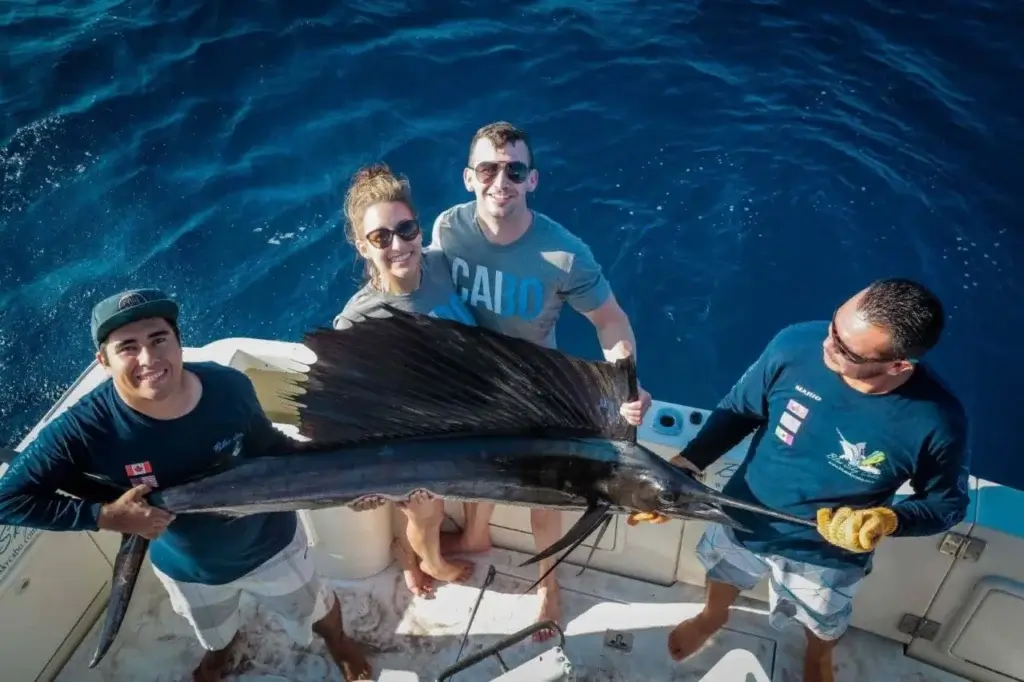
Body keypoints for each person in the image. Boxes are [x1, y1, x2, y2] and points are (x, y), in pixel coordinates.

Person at [0, 289, 373, 682]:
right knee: (214, 632)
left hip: (272, 545)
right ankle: (220, 653)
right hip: (189, 569)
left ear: (178, 342)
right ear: (103, 361)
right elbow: (7, 499)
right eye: (128, 347)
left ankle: (338, 642)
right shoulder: (81, 428)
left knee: (315, 609)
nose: (148, 358)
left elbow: (272, 449)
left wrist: (346, 483)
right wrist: (106, 516)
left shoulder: (229, 386)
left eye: (158, 339)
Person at [664, 278, 970, 682]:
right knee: (723, 572)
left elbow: (947, 505)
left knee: (823, 619)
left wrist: (888, 520)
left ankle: (817, 657)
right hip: (742, 511)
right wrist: (685, 465)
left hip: (827, 553)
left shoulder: (937, 421)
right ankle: (713, 615)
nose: (827, 344)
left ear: (898, 365)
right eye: (834, 326)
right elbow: (740, 410)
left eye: (847, 350)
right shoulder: (795, 344)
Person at [428, 120, 655, 640]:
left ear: (533, 179)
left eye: (514, 170)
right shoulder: (448, 228)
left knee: (543, 494)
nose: (500, 181)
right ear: (469, 177)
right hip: (474, 380)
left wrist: (625, 380)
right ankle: (476, 535)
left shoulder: (565, 253)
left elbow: (610, 320)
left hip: (537, 388)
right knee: (478, 469)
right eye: (488, 169)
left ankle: (548, 585)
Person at [333, 162, 479, 598]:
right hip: (409, 440)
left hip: (466, 413)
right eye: (381, 238)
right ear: (362, 246)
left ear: (419, 229)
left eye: (406, 230)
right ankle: (431, 561)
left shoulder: (441, 266)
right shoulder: (356, 321)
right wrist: (371, 476)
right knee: (426, 511)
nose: (398, 245)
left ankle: (406, 549)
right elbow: (348, 407)